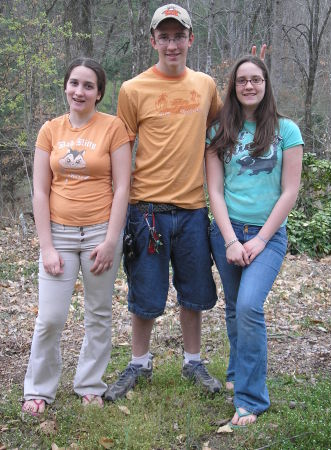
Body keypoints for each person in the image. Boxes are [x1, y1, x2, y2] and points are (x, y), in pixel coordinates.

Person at [104, 3, 225, 402]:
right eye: (164, 36)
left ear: (191, 39)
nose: (172, 44)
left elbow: (222, 132)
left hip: (192, 209)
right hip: (146, 211)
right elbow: (121, 149)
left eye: (179, 36)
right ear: (153, 40)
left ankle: (193, 361)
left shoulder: (206, 86)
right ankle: (140, 363)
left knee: (194, 292)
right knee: (146, 293)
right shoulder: (133, 89)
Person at [21, 57, 132, 415]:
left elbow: (122, 187)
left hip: (101, 232)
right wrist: (47, 246)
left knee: (98, 313)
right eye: (74, 83)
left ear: (99, 93)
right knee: (51, 317)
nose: (79, 91)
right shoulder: (50, 130)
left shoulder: (113, 128)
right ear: (66, 87)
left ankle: (89, 384)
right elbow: (39, 190)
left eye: (88, 85)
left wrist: (112, 240)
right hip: (59, 234)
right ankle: (38, 389)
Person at [205, 55, 303, 427]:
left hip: (268, 235)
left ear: (266, 84)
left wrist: (261, 239)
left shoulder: (286, 130)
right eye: (242, 80)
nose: (249, 86)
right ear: (234, 86)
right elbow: (214, 189)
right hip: (227, 232)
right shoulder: (219, 131)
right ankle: (236, 371)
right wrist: (230, 240)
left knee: (248, 306)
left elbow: (290, 191)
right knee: (233, 308)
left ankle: (251, 399)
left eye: (256, 80)